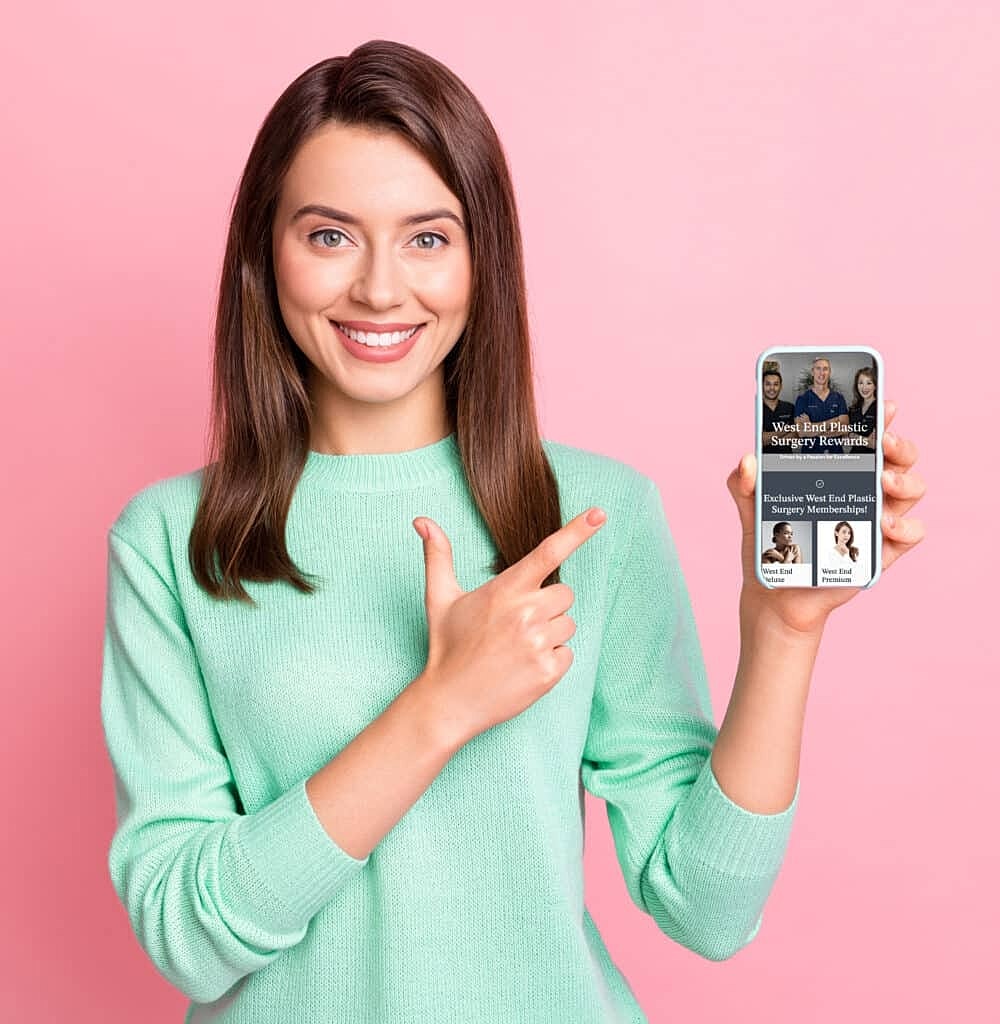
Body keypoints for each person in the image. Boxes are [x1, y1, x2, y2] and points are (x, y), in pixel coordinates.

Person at [99, 40, 927, 1024]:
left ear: (482, 256)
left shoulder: (593, 515)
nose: (375, 289)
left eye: (427, 237)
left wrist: (783, 631)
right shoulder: (168, 541)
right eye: (329, 236)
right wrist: (439, 706)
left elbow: (706, 907)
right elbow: (185, 935)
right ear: (262, 252)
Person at [793, 355, 849, 453]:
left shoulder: (839, 398)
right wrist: (832, 421)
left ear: (829, 372)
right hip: (810, 456)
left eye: (825, 369)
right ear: (812, 372)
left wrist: (811, 428)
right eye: (818, 368)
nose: (821, 373)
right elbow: (801, 432)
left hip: (835, 455)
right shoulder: (803, 399)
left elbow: (844, 429)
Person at [760, 364, 797, 452]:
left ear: (781, 386)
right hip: (764, 462)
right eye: (768, 384)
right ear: (761, 386)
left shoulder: (790, 407)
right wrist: (786, 430)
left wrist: (768, 437)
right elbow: (758, 440)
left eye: (776, 384)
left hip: (786, 461)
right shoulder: (755, 409)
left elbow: (796, 436)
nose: (772, 388)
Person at [847, 365, 878, 451]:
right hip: (854, 457)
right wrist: (866, 441)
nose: (864, 387)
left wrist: (853, 436)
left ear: (875, 386)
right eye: (861, 383)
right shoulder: (853, 408)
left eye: (869, 383)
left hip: (872, 459)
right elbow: (844, 435)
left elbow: (875, 444)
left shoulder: (879, 408)